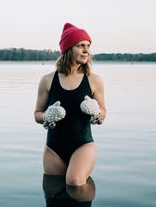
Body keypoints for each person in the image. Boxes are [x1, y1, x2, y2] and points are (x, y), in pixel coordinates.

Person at [34, 22, 106, 186]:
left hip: (83, 145)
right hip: (53, 148)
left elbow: (103, 112)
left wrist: (96, 112)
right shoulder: (47, 80)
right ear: (68, 49)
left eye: (88, 45)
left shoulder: (94, 80)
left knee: (74, 182)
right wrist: (46, 116)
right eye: (81, 45)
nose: (86, 50)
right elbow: (37, 114)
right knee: (53, 191)